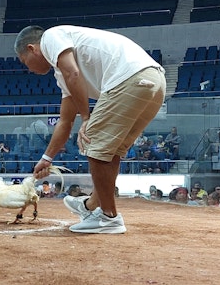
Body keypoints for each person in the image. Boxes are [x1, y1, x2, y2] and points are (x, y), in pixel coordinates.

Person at [16, 25, 165, 234]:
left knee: (92, 140)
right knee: (109, 151)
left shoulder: (50, 37)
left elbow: (74, 74)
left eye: (25, 62)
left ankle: (108, 217)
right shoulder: (62, 73)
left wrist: (86, 118)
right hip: (154, 81)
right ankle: (91, 206)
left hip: (130, 77)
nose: (29, 69)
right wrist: (47, 158)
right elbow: (65, 122)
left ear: (32, 48)